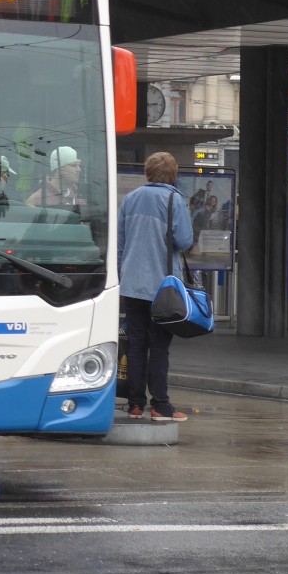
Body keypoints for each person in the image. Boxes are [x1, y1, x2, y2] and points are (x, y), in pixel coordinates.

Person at [118, 151, 194, 422]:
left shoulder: (130, 199)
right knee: (159, 347)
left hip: (132, 285)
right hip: (163, 288)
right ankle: (160, 407)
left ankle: (136, 405)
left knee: (136, 344)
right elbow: (184, 240)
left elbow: (120, 243)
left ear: (147, 173)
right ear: (172, 175)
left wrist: (122, 275)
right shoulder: (174, 199)